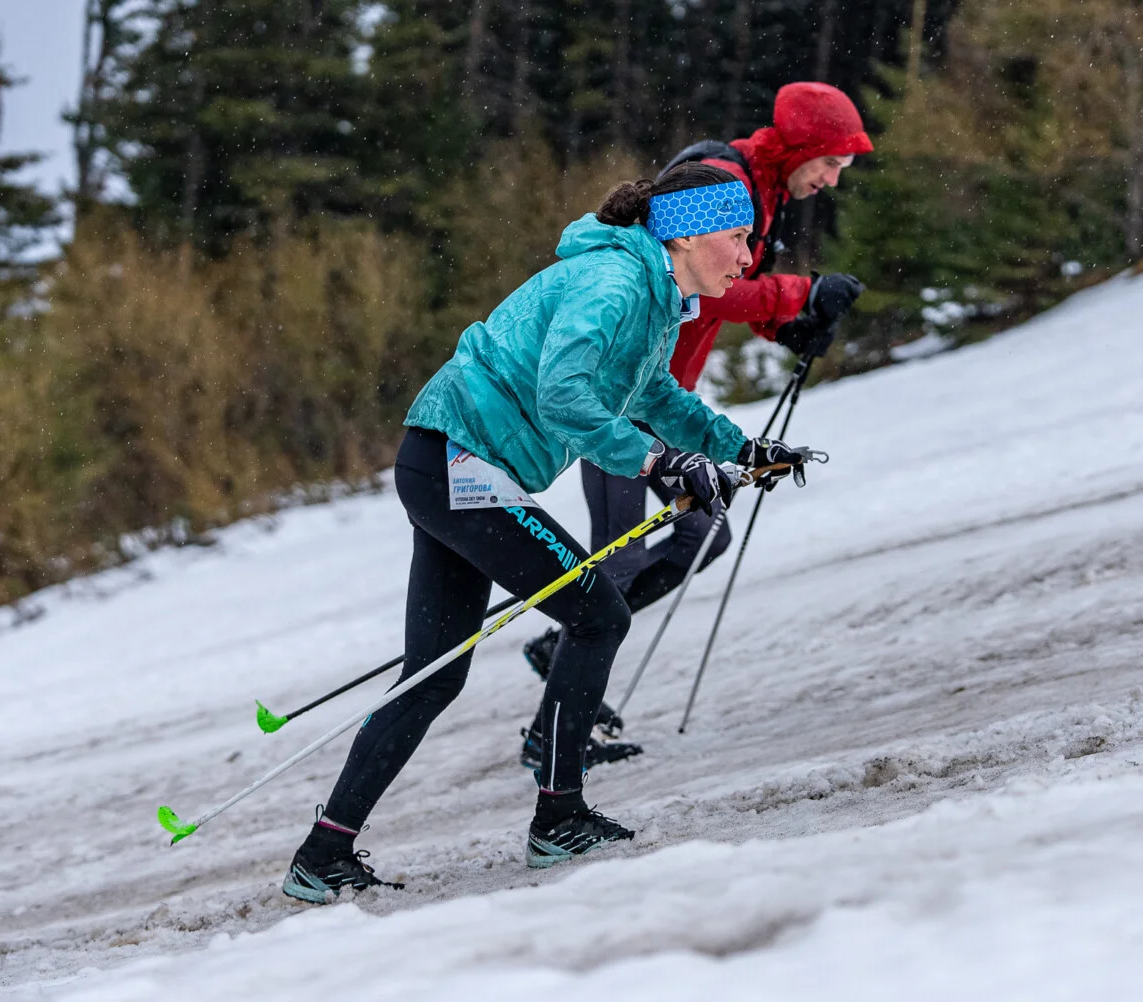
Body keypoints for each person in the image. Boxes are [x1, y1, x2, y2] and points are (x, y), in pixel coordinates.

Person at [281, 162, 818, 901]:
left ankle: (323, 853)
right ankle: (558, 817)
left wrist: (740, 448)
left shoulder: (653, 295)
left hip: (449, 462)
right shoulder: (616, 283)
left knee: (435, 674)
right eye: (738, 236)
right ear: (690, 234)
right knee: (597, 613)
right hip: (461, 466)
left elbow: (654, 393)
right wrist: (664, 460)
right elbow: (562, 397)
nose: (748, 254)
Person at [518, 82, 873, 764]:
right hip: (619, 399)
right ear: (801, 148)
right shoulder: (730, 179)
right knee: (617, 557)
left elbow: (715, 294)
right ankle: (553, 735)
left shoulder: (762, 194)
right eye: (829, 163)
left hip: (661, 397)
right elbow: (704, 289)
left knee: (702, 533)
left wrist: (787, 327)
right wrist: (798, 292)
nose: (830, 180)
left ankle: (560, 648)